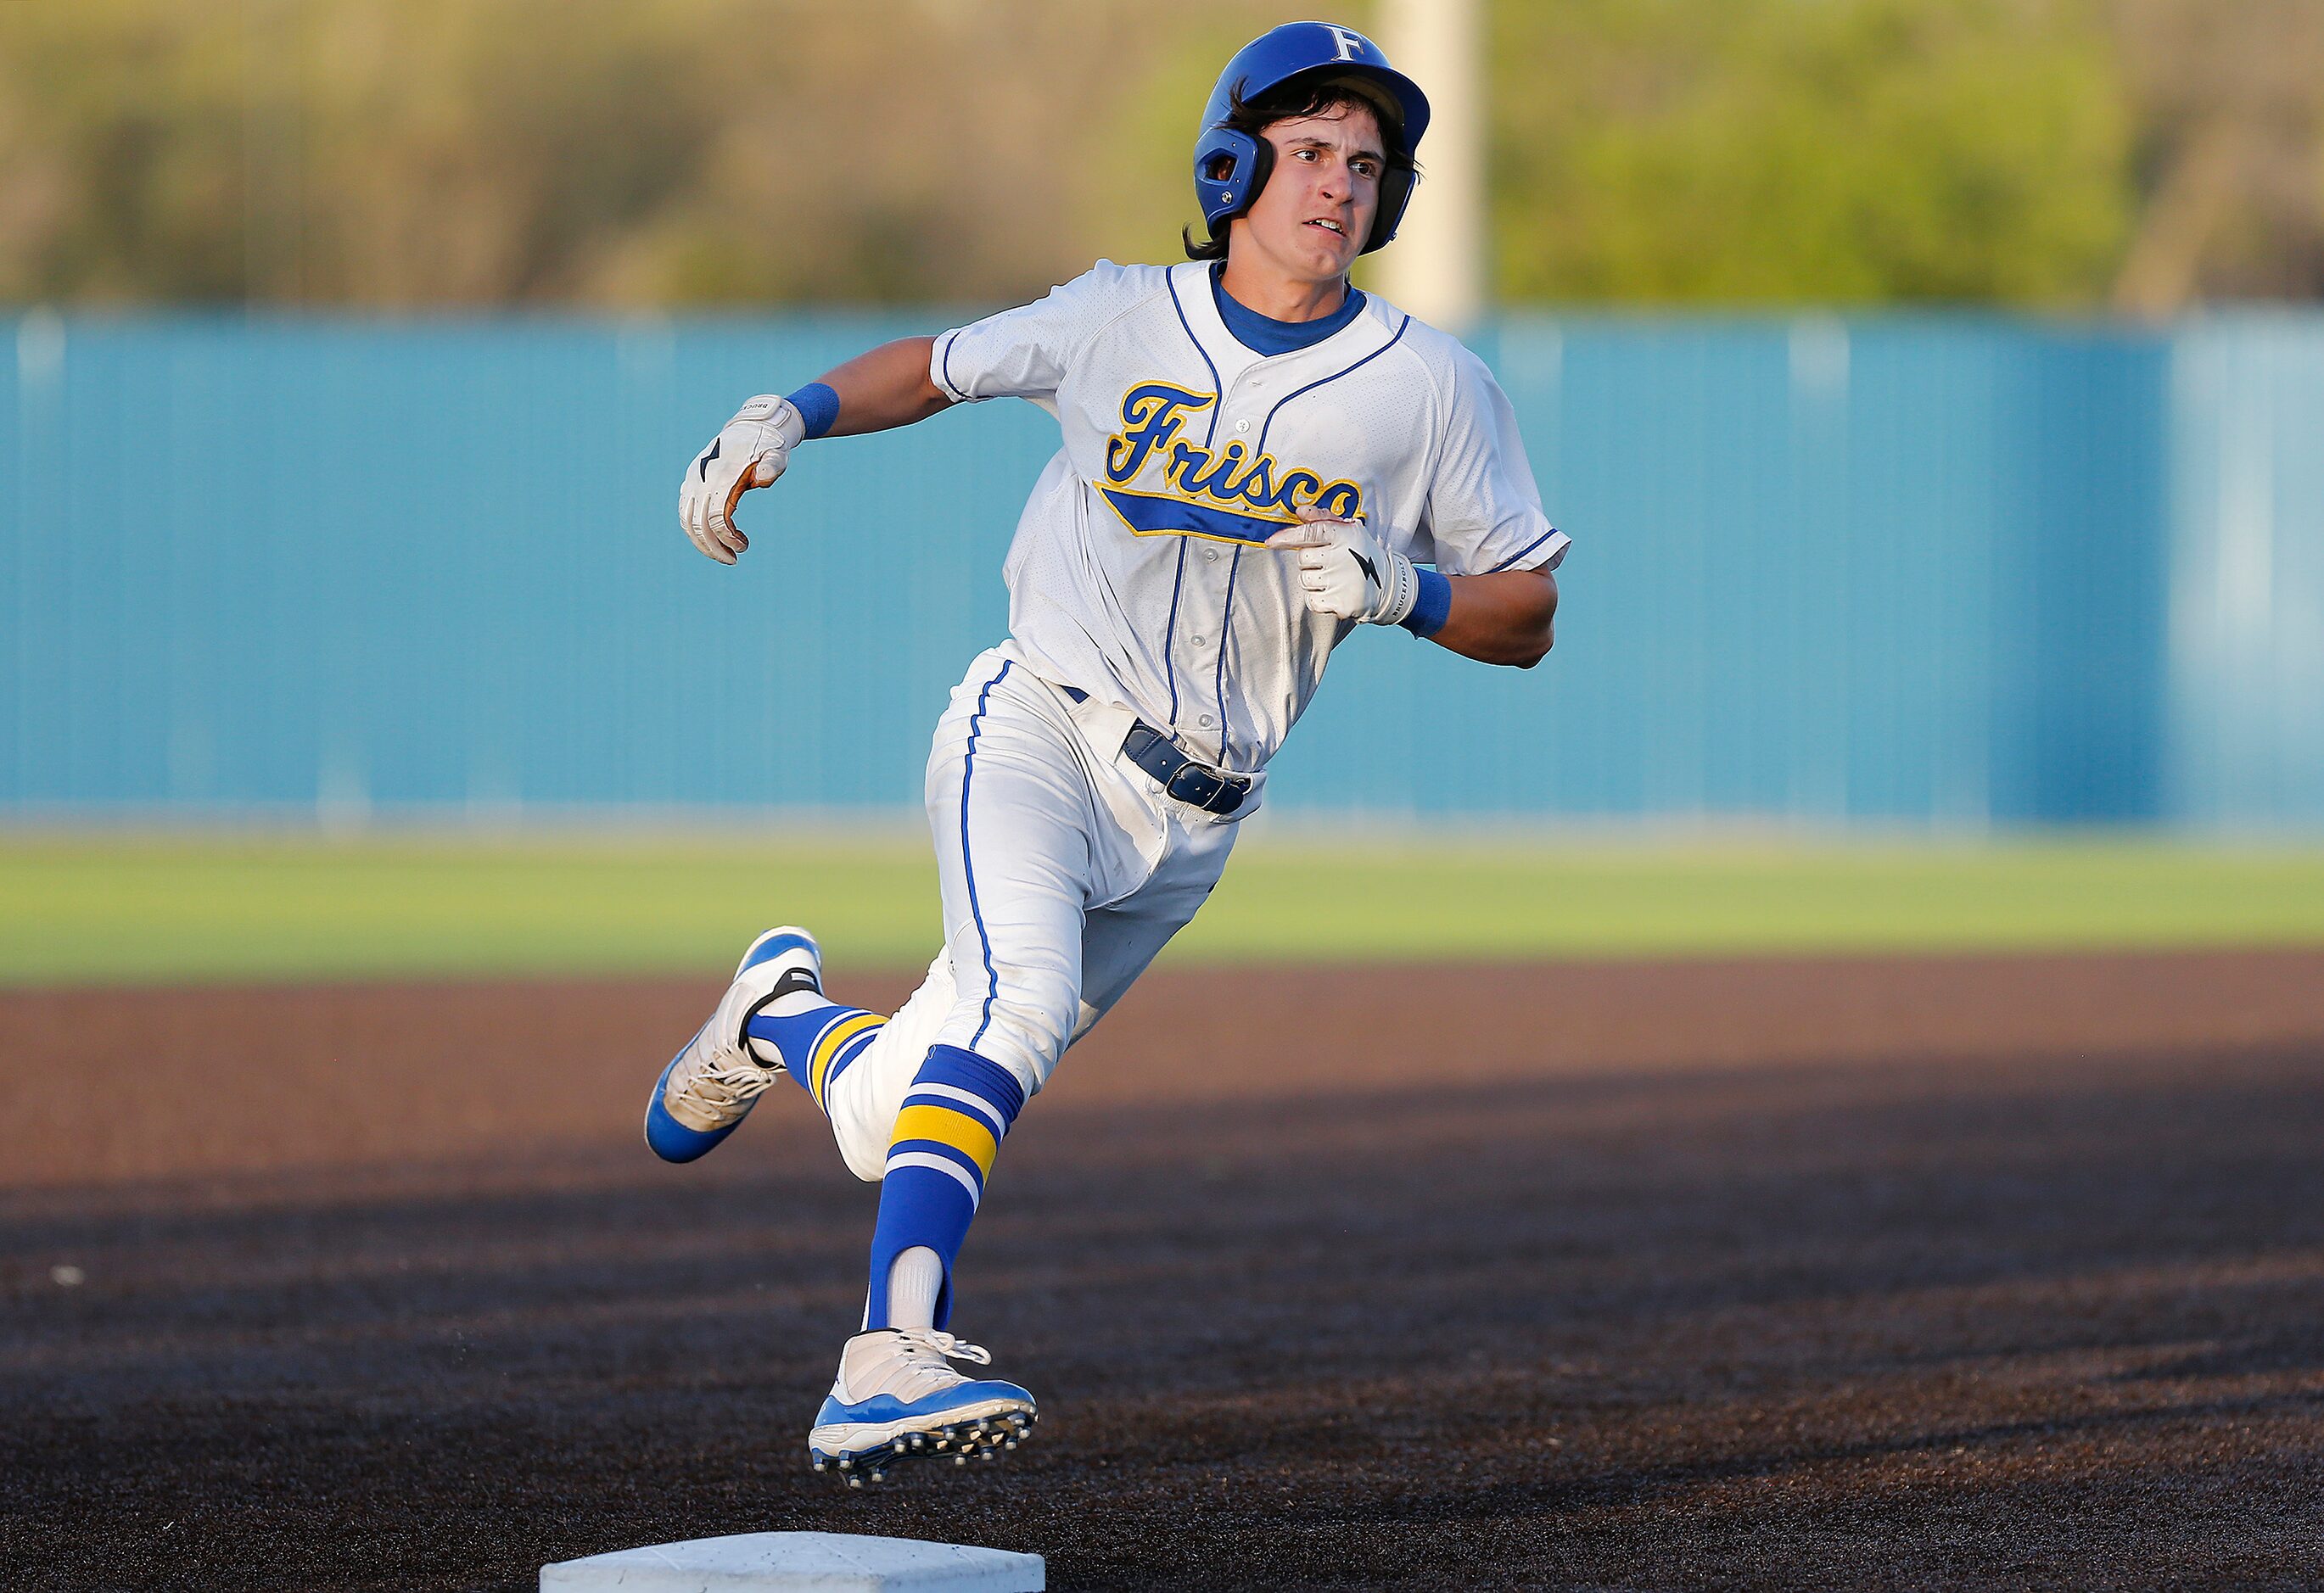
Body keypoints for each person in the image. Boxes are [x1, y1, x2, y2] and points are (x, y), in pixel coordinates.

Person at [647, 20, 1565, 1485]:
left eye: (1365, 164)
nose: (1337, 184)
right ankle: (886, 1355)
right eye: (1309, 150)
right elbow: (938, 368)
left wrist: (1414, 592)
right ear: (1233, 162)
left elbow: (1530, 613)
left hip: (1195, 823)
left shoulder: (1430, 387)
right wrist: (791, 416)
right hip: (1041, 726)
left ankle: (777, 1017)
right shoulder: (1119, 315)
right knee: (1015, 1013)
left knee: (905, 1110)